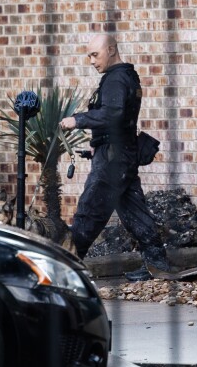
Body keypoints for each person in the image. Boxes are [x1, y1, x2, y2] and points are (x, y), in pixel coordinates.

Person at [60, 34, 170, 281]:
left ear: (111, 50)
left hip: (112, 160)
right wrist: (96, 147)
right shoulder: (128, 76)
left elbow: (114, 113)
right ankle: (158, 265)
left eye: (95, 54)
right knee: (135, 213)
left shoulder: (116, 78)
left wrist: (77, 120)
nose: (91, 61)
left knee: (89, 211)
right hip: (121, 156)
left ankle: (65, 271)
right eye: (89, 55)